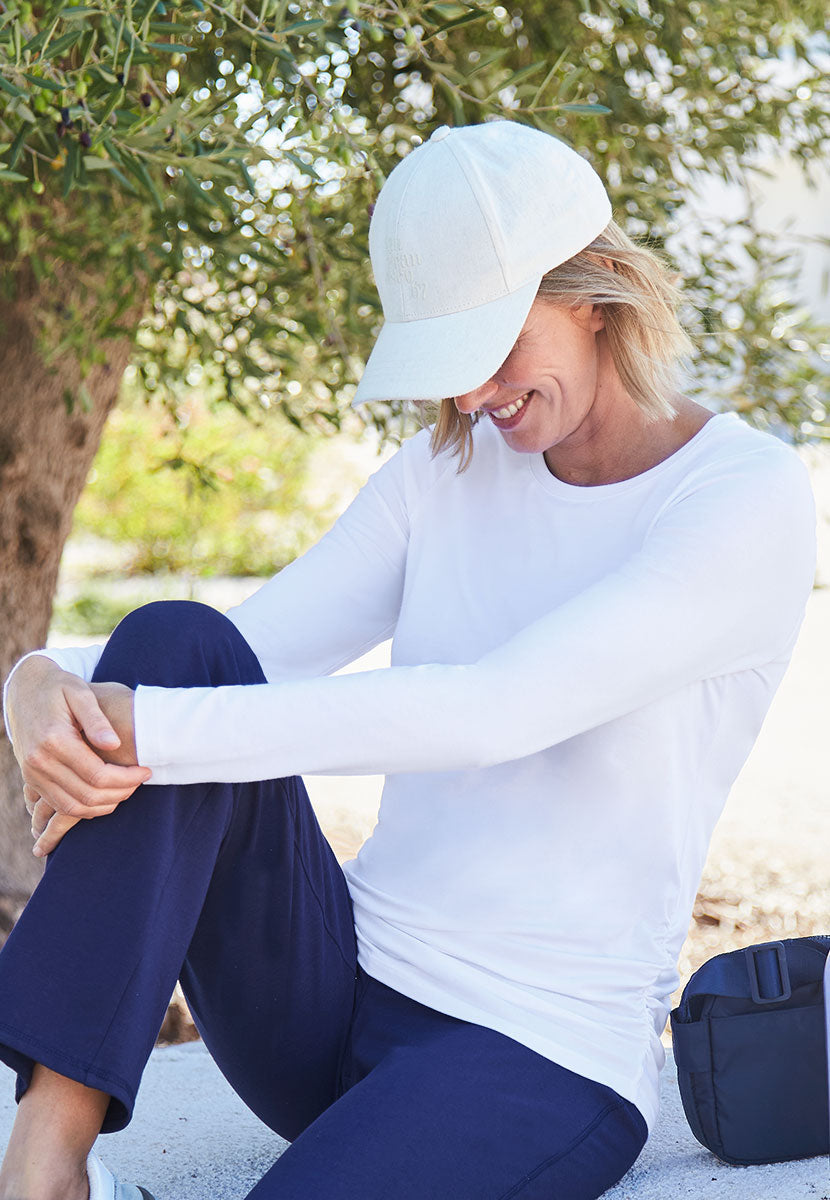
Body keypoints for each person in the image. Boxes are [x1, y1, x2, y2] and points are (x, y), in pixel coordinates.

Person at [0, 121, 816, 1200]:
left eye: (489, 344)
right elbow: (244, 653)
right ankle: (46, 1161)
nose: (471, 393)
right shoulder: (444, 473)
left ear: (595, 290)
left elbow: (498, 709)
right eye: (446, 360)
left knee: (162, 692)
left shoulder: (737, 498)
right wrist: (34, 683)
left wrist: (136, 727)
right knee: (174, 640)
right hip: (336, 992)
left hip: (537, 1053)